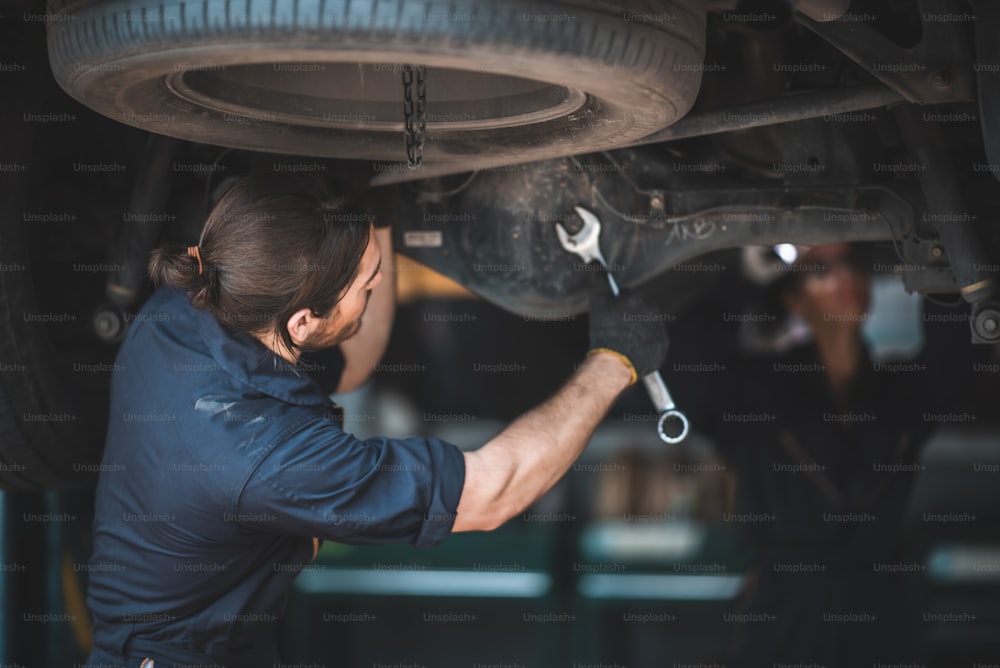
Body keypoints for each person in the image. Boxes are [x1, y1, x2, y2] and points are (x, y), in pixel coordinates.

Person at [81, 174, 667, 668]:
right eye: (369, 283)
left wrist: (374, 208)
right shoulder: (272, 458)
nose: (386, 283)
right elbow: (494, 490)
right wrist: (613, 361)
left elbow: (354, 360)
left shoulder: (190, 305)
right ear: (304, 323)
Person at [680, 242, 947, 667]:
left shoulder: (903, 391)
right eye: (821, 269)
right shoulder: (760, 392)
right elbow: (689, 369)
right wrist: (744, 278)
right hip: (785, 614)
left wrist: (942, 263)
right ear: (795, 299)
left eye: (852, 264)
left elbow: (956, 362)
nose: (843, 278)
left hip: (879, 614)